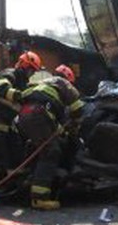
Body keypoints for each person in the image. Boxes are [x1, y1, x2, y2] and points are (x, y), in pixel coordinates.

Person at [16, 64, 84, 210]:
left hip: (23, 116)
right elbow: (78, 108)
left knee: (36, 147)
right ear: (69, 80)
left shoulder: (41, 83)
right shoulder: (64, 83)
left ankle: (27, 182)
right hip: (39, 115)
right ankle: (40, 198)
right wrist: (76, 126)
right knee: (51, 152)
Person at [0, 50, 43, 189]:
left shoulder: (23, 83)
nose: (32, 73)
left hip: (6, 124)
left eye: (34, 71)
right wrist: (18, 95)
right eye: (31, 69)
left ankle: (15, 181)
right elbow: (1, 87)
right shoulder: (9, 74)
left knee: (15, 149)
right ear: (24, 65)